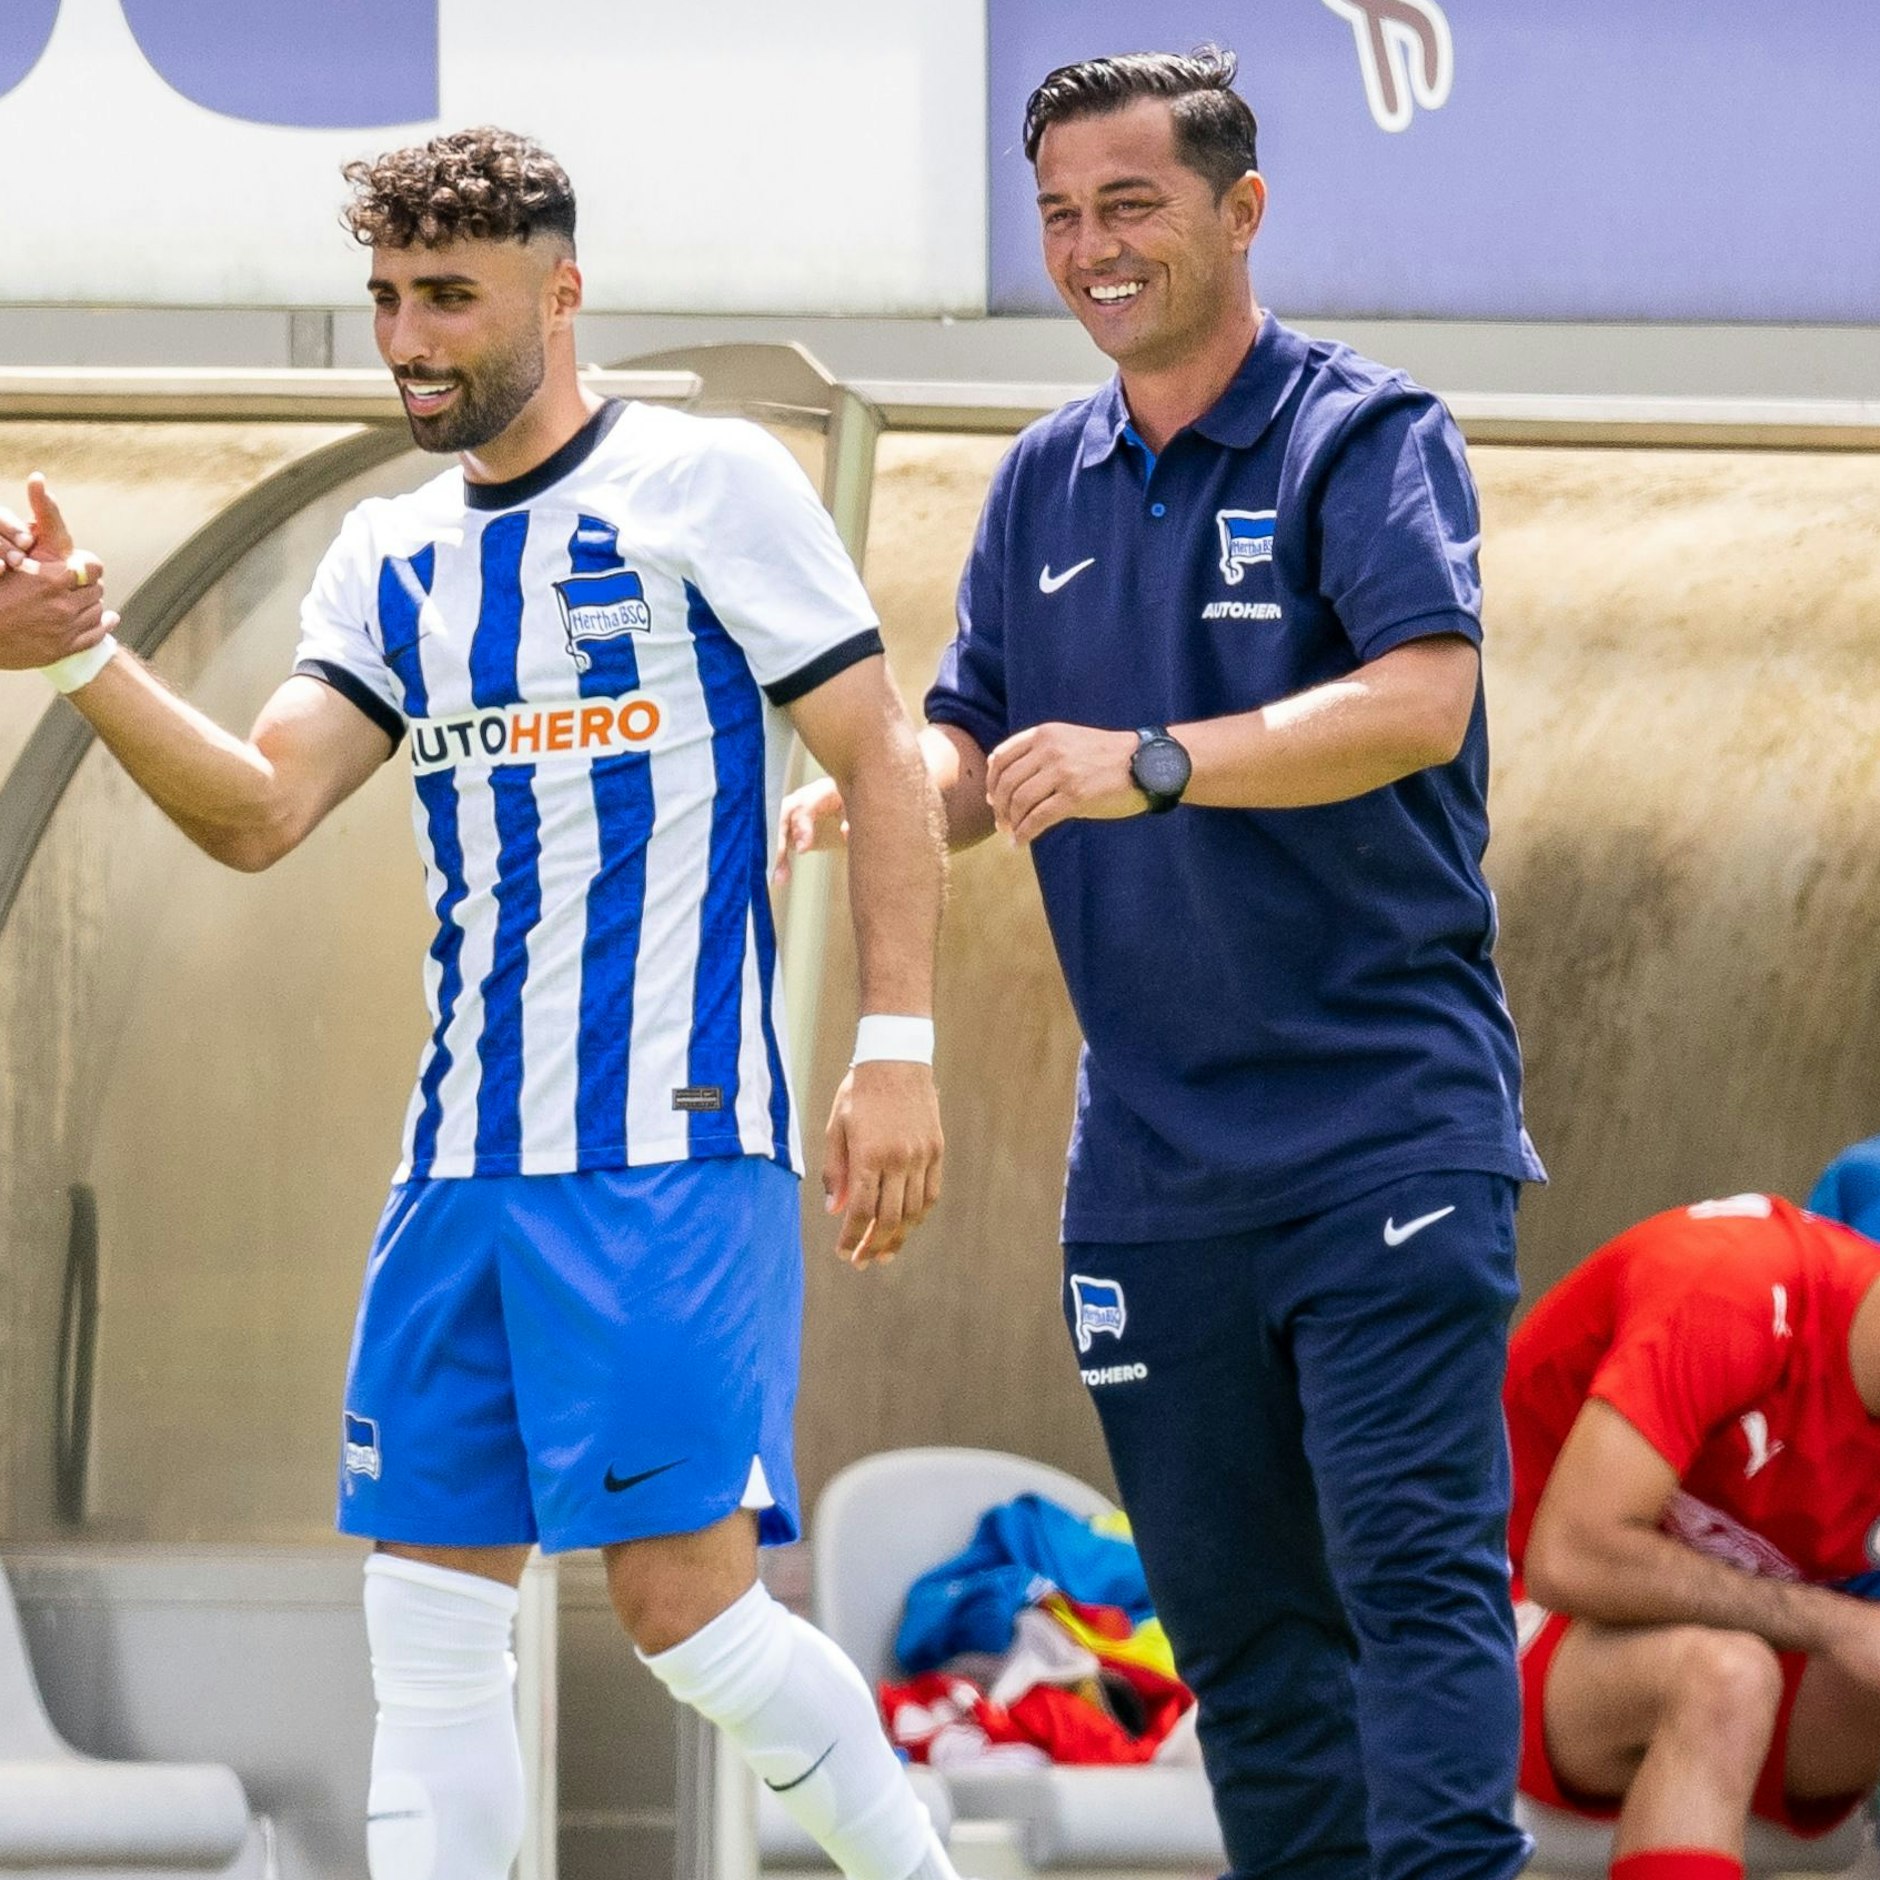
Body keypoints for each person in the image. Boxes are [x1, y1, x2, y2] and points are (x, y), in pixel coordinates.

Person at [0, 129, 958, 1880]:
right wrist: (78, 652)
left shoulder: (707, 484)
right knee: (428, 1635)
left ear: (561, 293)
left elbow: (882, 757)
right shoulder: (389, 552)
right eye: (385, 299)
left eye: (448, 296)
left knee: (690, 1619)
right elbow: (258, 810)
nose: (409, 339)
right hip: (454, 1170)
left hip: (666, 1146)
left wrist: (894, 1048)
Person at [781, 46, 1543, 1880]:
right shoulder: (1041, 483)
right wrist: (882, 798)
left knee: (1414, 1589)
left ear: (1241, 209)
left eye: (1130, 204)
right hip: (1152, 1181)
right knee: (1248, 1648)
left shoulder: (1363, 435)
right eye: (1059, 214)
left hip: (1384, 1137)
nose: (1092, 249)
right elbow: (973, 751)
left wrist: (1161, 761)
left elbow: (1422, 703)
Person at [1506, 1191, 1880, 1880]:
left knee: (1744, 1674)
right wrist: (1836, 1624)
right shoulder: (1737, 1284)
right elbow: (1570, 1557)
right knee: (1725, 1678)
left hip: (1705, 1655)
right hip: (1491, 1610)